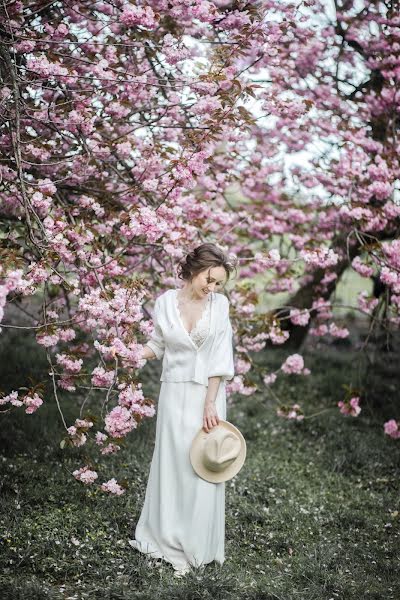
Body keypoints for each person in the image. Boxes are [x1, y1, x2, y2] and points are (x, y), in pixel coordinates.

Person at [129, 243, 237, 577]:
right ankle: (164, 536)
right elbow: (158, 346)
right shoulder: (164, 303)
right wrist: (131, 353)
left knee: (202, 466)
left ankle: (196, 543)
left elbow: (221, 356)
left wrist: (210, 402)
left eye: (218, 282)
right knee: (172, 464)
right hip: (173, 392)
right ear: (194, 268)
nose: (212, 287)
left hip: (207, 396)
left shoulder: (219, 305)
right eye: (209, 278)